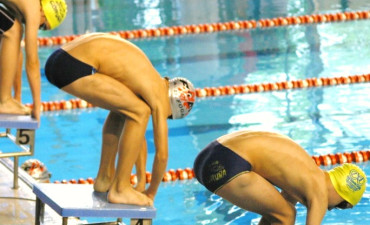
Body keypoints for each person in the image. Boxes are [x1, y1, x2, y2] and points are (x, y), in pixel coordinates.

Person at [44, 32, 196, 206]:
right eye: (168, 117)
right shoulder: (158, 98)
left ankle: (104, 178)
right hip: (74, 66)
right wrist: (151, 194)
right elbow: (162, 155)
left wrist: (140, 182)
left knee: (127, 110)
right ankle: (119, 189)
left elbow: (138, 137)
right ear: (173, 107)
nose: (162, 117)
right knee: (139, 112)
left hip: (60, 59)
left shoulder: (149, 80)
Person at [194, 130, 367, 225]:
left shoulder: (305, 177)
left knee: (280, 213)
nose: (331, 208)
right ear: (342, 193)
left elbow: (273, 215)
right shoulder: (320, 193)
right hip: (228, 163)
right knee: (287, 215)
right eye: (340, 205)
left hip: (208, 157)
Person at [0, 0, 67, 121]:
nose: (38, 28)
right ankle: (3, 101)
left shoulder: (21, 6)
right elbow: (32, 62)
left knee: (14, 30)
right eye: (42, 26)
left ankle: (6, 100)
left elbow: (16, 52)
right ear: (44, 13)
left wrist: (17, 97)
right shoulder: (34, 9)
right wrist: (37, 105)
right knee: (13, 30)